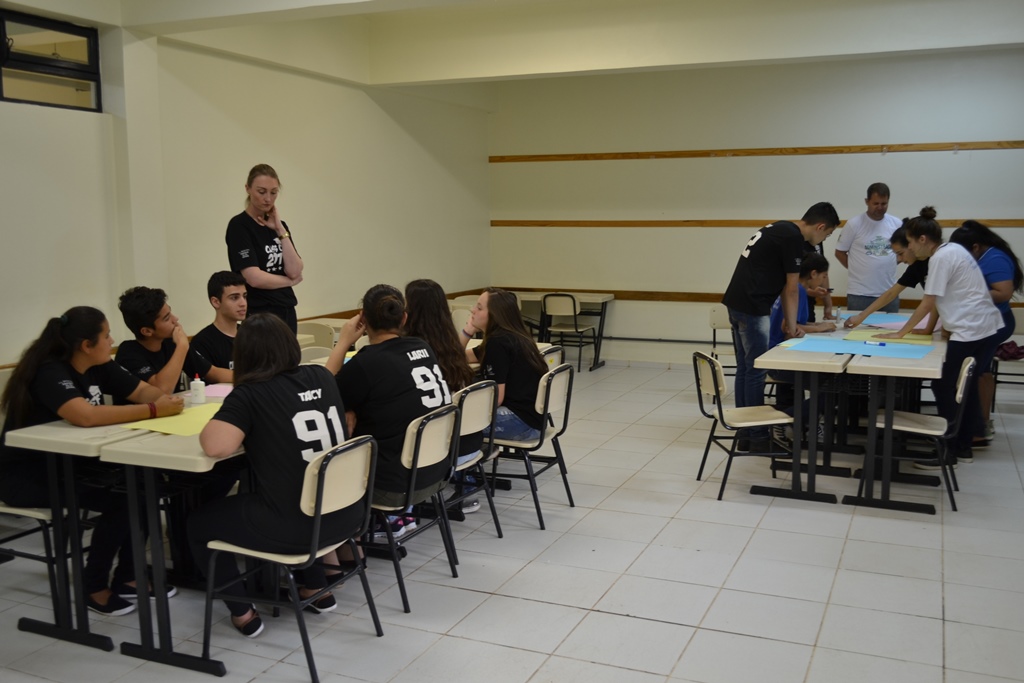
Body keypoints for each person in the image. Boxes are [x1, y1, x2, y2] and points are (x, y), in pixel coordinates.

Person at [0, 307, 183, 616]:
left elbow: (143, 391)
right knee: (123, 500)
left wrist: (161, 400)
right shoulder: (50, 371)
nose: (111, 341)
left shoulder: (101, 365)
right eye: (107, 335)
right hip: (28, 475)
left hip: (72, 465)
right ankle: (93, 585)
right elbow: (84, 416)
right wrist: (154, 410)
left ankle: (129, 577)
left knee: (145, 484)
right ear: (86, 345)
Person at [191, 314, 360, 638]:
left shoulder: (251, 393)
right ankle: (316, 588)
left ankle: (242, 612)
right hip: (346, 515)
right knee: (295, 487)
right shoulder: (321, 377)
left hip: (298, 529)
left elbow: (214, 446)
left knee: (198, 524)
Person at [878, 207, 1003, 467]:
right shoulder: (953, 250)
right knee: (964, 388)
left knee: (943, 385)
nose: (910, 248)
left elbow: (928, 302)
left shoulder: (941, 258)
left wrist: (901, 332)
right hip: (981, 327)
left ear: (923, 239)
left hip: (970, 330)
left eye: (910, 242)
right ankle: (963, 446)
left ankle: (948, 449)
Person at [326, 284, 453, 536]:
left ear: (363, 319)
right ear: (404, 318)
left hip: (394, 486)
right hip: (436, 471)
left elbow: (324, 393)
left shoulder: (366, 362)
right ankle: (398, 516)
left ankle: (369, 525)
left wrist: (344, 342)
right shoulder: (422, 346)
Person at [721, 202, 840, 451]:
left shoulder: (780, 227)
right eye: (827, 234)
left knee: (746, 368)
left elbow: (787, 288)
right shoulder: (793, 239)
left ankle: (745, 433)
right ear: (820, 227)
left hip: (736, 302)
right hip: (754, 306)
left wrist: (792, 322)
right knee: (756, 370)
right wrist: (792, 324)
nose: (823, 240)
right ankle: (757, 437)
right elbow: (791, 289)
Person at [404, 279, 482, 515]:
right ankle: (466, 483)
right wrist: (467, 332)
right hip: (470, 440)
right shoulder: (447, 340)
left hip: (440, 446)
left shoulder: (412, 347)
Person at [949, 220, 1024, 443]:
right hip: (987, 322)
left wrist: (968, 292)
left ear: (975, 247)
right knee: (982, 370)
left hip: (995, 323)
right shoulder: (986, 255)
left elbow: (1004, 293)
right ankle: (980, 424)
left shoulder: (995, 258)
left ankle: (977, 429)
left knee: (977, 373)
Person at [459, 287, 548, 443]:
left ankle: (485, 452)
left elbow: (496, 399)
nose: (473, 310)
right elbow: (458, 357)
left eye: (479, 308)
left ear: (494, 315)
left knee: (452, 425)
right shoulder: (512, 335)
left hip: (521, 422)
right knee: (461, 417)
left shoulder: (498, 343)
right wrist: (468, 331)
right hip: (534, 419)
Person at [225, 164, 303, 333]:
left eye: (273, 192)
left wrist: (280, 229)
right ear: (248, 189)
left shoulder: (280, 226)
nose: (268, 198)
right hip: (259, 312)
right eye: (261, 192)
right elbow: (254, 278)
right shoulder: (239, 226)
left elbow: (295, 270)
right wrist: (289, 282)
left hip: (287, 308)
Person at [115, 286, 232, 394]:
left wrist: (243, 377)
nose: (175, 319)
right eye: (166, 318)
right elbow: (161, 391)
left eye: (170, 312)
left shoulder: (170, 342)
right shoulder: (128, 353)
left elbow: (213, 373)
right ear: (147, 331)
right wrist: (182, 347)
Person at [766, 253, 837, 415]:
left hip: (776, 356)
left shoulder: (792, 287)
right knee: (834, 386)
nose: (823, 281)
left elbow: (795, 323)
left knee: (831, 383)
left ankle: (796, 416)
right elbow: (789, 328)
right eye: (823, 276)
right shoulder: (798, 291)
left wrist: (817, 325)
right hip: (779, 362)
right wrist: (818, 329)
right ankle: (790, 417)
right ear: (813, 274)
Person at [843, 225, 937, 333]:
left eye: (901, 253)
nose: (900, 259)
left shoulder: (937, 260)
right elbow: (891, 293)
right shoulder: (916, 266)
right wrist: (861, 316)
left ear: (912, 245)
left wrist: (900, 333)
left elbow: (929, 302)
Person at [835, 182, 902, 313]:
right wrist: (857, 268)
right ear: (867, 201)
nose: (880, 207)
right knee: (858, 326)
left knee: (891, 326)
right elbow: (840, 252)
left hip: (889, 293)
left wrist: (890, 262)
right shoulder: (854, 224)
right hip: (860, 294)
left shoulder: (897, 224)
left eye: (884, 204)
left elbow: (903, 251)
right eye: (876, 203)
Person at [190, 271, 248, 372]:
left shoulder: (251, 335)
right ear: (216, 302)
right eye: (234, 298)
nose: (243, 303)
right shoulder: (202, 342)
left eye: (244, 296)